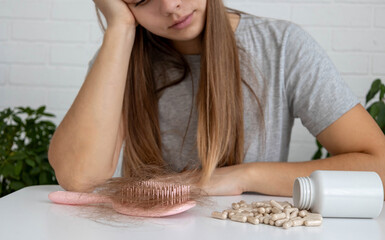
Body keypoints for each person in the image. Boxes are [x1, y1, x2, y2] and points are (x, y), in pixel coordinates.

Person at [48, 0, 385, 198]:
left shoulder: (282, 46)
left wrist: (243, 176)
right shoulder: (119, 57)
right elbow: (79, 177)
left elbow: (378, 165)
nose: (169, 6)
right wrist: (119, 28)